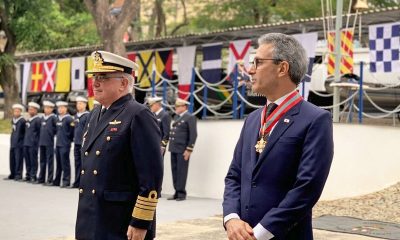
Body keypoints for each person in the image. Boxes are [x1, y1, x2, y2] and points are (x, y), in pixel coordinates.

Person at [222, 33, 334, 240]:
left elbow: (307, 187)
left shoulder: (315, 119)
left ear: (282, 68)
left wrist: (262, 232)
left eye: (258, 62)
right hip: (241, 234)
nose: (250, 69)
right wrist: (231, 218)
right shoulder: (253, 119)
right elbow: (234, 175)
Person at [75, 50, 163, 240]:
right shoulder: (94, 115)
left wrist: (140, 222)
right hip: (91, 217)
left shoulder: (138, 114)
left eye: (103, 77)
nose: (95, 82)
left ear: (124, 83)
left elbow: (151, 175)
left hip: (119, 223)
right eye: (95, 77)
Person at [167, 98, 197, 201]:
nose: (176, 108)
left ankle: (181, 193)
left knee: (181, 171)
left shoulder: (190, 117)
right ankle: (176, 191)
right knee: (174, 171)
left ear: (184, 107)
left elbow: (193, 134)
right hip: (174, 148)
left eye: (178, 106)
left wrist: (189, 149)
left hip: (183, 149)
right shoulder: (177, 117)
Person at [53, 101, 74, 187]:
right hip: (58, 144)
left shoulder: (69, 119)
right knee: (58, 163)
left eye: (62, 107)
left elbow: (72, 131)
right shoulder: (57, 118)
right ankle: (57, 180)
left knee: (65, 163)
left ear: (66, 108)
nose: (60, 109)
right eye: (59, 108)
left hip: (65, 144)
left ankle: (66, 181)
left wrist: (69, 140)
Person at [71, 96, 89, 188]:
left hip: (83, 143)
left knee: (83, 164)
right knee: (77, 163)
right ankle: (77, 182)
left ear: (85, 104)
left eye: (81, 103)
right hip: (76, 143)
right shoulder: (75, 116)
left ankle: (83, 183)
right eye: (77, 103)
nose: (78, 105)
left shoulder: (87, 116)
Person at [38, 100, 57, 185]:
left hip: (49, 142)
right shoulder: (42, 118)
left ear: (52, 109)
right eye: (45, 107)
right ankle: (41, 178)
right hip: (42, 142)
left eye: (48, 108)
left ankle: (49, 179)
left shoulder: (53, 118)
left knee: (50, 161)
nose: (46, 109)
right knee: (42, 160)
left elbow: (56, 130)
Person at [6, 104, 26, 181]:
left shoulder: (22, 121)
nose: (16, 112)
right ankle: (12, 173)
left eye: (18, 111)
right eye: (15, 111)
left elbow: (24, 133)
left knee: (18, 159)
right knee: (12, 158)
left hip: (19, 143)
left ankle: (18, 174)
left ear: (20, 112)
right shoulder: (13, 120)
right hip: (13, 142)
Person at [23, 102, 42, 182]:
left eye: (32, 110)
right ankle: (28, 174)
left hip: (33, 144)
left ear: (36, 110)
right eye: (29, 109)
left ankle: (33, 175)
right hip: (26, 143)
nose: (30, 111)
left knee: (33, 160)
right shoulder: (28, 120)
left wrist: (36, 142)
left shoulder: (38, 120)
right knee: (27, 160)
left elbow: (39, 132)